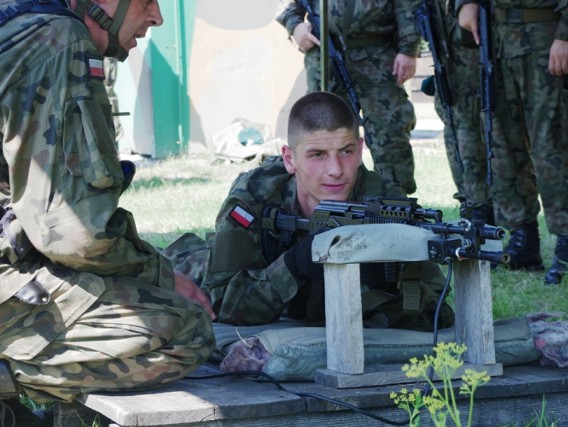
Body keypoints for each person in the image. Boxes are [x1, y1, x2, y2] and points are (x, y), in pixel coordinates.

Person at [0, 0, 216, 405]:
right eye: (147, 1)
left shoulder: (21, 23)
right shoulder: (60, 41)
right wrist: (161, 276)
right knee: (187, 329)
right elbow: (73, 234)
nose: (157, 17)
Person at [200, 91, 454, 330]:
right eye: (318, 154)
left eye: (346, 151)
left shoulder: (385, 204)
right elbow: (222, 304)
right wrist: (294, 265)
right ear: (290, 159)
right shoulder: (255, 197)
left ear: (360, 147)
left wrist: (387, 286)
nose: (335, 169)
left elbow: (437, 309)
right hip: (200, 265)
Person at [457, 0, 568, 284]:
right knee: (503, 145)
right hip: (497, 40)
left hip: (546, 38)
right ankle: (523, 239)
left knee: (555, 146)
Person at [276, 0, 420, 194]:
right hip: (325, 57)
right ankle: (331, 202)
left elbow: (407, 7)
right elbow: (288, 4)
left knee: (390, 134)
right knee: (325, 133)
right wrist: (296, 26)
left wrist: (408, 50)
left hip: (378, 55)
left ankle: (395, 202)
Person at [419, 0, 493, 224]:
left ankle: (483, 214)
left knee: (476, 148)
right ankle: (471, 211)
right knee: (457, 148)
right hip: (449, 79)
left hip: (476, 76)